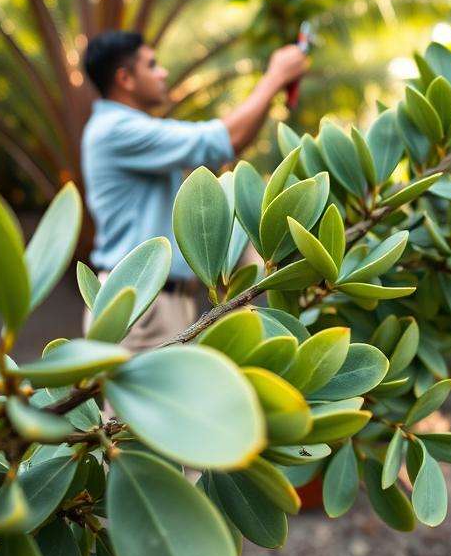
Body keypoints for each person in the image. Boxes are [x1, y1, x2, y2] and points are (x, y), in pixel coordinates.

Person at [80, 31, 308, 351]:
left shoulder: (128, 129)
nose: (163, 73)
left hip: (160, 301)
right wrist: (274, 77)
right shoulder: (115, 131)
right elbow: (224, 139)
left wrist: (274, 87)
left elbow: (227, 145)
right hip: (142, 306)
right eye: (152, 64)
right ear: (125, 78)